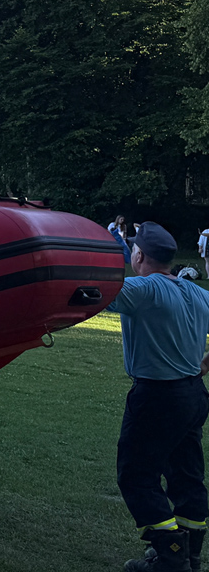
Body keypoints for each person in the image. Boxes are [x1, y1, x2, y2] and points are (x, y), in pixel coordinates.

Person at [106, 222, 209, 571]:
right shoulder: (195, 292)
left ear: (138, 255)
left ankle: (170, 557)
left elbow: (89, 292)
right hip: (194, 395)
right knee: (186, 474)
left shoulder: (141, 289)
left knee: (136, 475)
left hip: (157, 396)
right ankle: (191, 553)